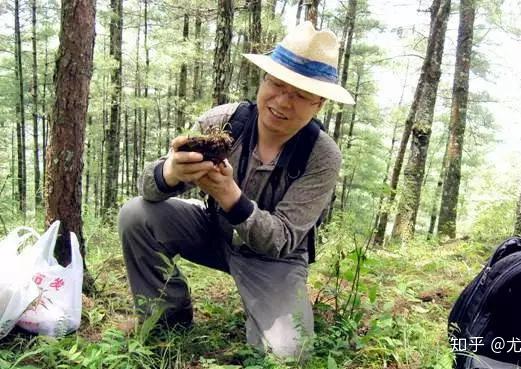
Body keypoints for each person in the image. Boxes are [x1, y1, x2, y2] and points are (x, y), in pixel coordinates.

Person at [118, 21, 355, 359]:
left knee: (286, 354)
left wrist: (231, 195)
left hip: (275, 261)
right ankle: (168, 320)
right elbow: (148, 188)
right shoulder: (225, 122)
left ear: (319, 103)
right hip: (214, 232)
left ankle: (267, 319)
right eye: (276, 83)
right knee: (137, 214)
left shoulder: (322, 156)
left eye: (301, 95)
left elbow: (282, 239)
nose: (283, 101)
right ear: (264, 80)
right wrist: (169, 172)